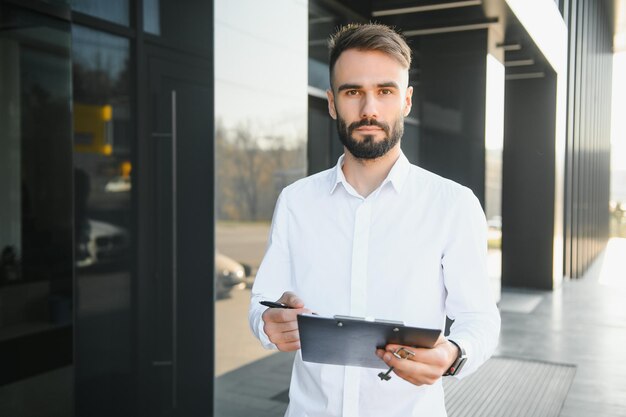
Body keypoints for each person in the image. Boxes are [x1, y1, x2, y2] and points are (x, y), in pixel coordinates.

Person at [249, 23, 500, 417]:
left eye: (385, 91)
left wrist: (454, 353)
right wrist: (267, 321)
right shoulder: (296, 201)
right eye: (353, 92)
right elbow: (260, 301)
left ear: (407, 101)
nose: (369, 109)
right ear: (332, 103)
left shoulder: (454, 204)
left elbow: (480, 319)